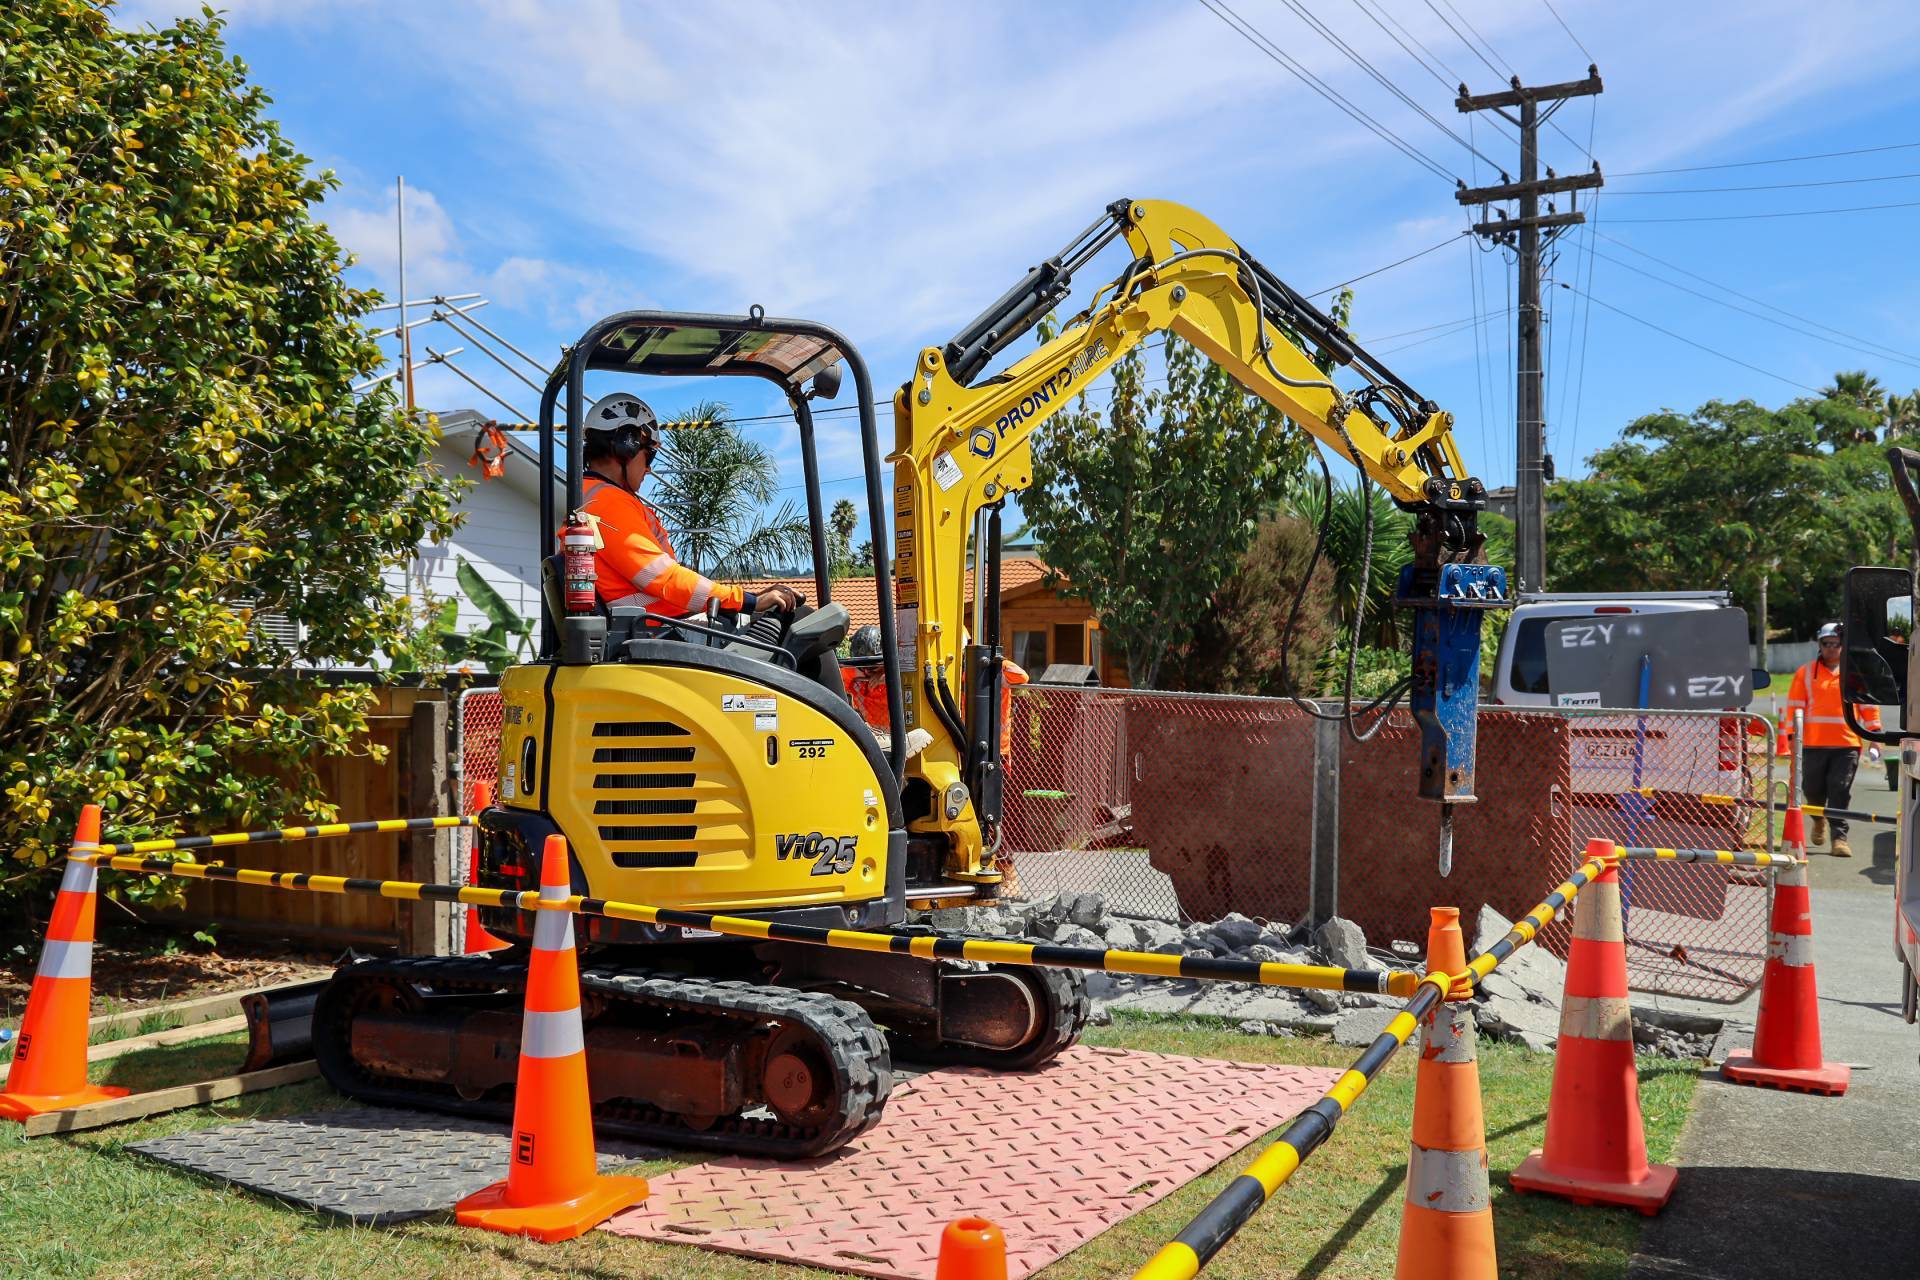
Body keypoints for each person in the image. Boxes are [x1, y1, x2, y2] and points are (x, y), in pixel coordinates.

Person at [571, 393, 798, 618]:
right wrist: (748, 601)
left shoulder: (589, 496)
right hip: (661, 634)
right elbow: (664, 578)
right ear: (626, 445)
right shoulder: (608, 503)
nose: (648, 469)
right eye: (649, 455)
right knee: (798, 623)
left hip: (657, 629)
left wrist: (747, 598)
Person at [1781, 621, 1881, 856]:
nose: (1831, 648)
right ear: (1820, 645)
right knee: (1812, 790)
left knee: (1839, 790)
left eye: (1836, 644)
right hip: (1813, 745)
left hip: (1847, 745)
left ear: (1843, 646)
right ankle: (1818, 820)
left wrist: (1875, 737)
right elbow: (1794, 708)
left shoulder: (1855, 675)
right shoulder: (1805, 674)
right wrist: (1790, 740)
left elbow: (1869, 708)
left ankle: (1839, 839)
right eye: (1826, 644)